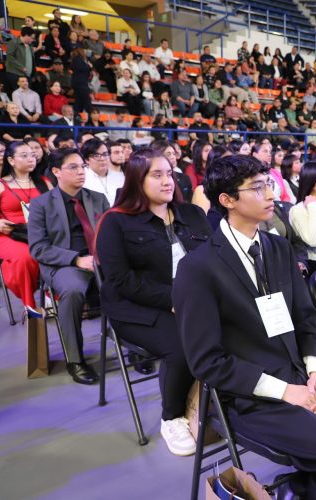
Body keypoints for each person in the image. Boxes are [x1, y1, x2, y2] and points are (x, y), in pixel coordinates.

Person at [173, 154, 316, 499]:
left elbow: (306, 319)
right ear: (227, 200)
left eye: (269, 184)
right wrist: (284, 391)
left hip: (301, 375)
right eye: (257, 188)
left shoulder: (278, 248)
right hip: (250, 394)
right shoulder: (198, 267)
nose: (271, 194)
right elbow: (207, 362)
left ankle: (301, 489)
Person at [96, 148, 212, 455]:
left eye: (169, 174)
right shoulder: (116, 222)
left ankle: (223, 403)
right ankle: (172, 417)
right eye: (157, 175)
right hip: (137, 307)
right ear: (138, 180)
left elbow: (214, 259)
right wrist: (174, 300)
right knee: (183, 345)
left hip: (191, 299)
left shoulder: (191, 214)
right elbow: (121, 280)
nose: (167, 181)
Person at [28, 148, 110, 384]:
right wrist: (76, 259)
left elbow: (112, 233)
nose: (81, 171)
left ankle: (135, 343)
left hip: (99, 260)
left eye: (82, 166)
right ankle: (75, 360)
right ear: (56, 172)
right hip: (64, 264)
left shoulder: (97, 198)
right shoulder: (41, 204)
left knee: (130, 278)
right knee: (73, 290)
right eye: (73, 167)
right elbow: (38, 248)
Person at [0, 141, 50, 312]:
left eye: (33, 155)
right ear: (11, 160)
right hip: (12, 234)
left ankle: (55, 296)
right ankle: (30, 306)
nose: (31, 159)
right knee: (24, 259)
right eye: (24, 155)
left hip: (44, 232)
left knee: (65, 249)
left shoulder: (44, 182)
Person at [81, 139, 122, 206]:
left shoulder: (120, 177)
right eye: (96, 156)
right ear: (86, 160)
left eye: (105, 154)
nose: (102, 159)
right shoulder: (82, 178)